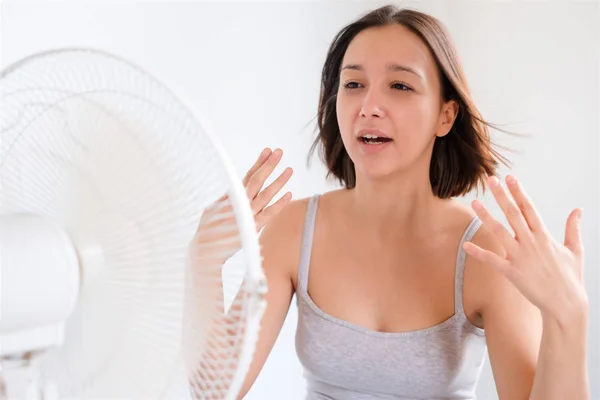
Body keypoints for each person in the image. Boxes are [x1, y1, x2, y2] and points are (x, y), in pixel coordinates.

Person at [191, 5, 590, 400]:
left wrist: (568, 319)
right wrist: (203, 259)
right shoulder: (294, 231)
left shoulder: (487, 253)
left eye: (400, 86)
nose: (369, 107)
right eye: (353, 85)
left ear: (446, 116)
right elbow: (215, 392)